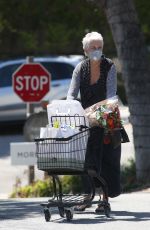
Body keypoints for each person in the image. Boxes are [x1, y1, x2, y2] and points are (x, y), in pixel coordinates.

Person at [67, 31, 122, 212]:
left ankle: (104, 198)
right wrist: (71, 109)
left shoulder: (109, 66)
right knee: (85, 159)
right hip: (86, 119)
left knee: (106, 159)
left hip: (107, 116)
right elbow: (71, 95)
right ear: (85, 50)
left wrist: (94, 114)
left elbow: (111, 96)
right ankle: (87, 196)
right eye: (93, 48)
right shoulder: (80, 69)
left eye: (100, 47)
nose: (97, 50)